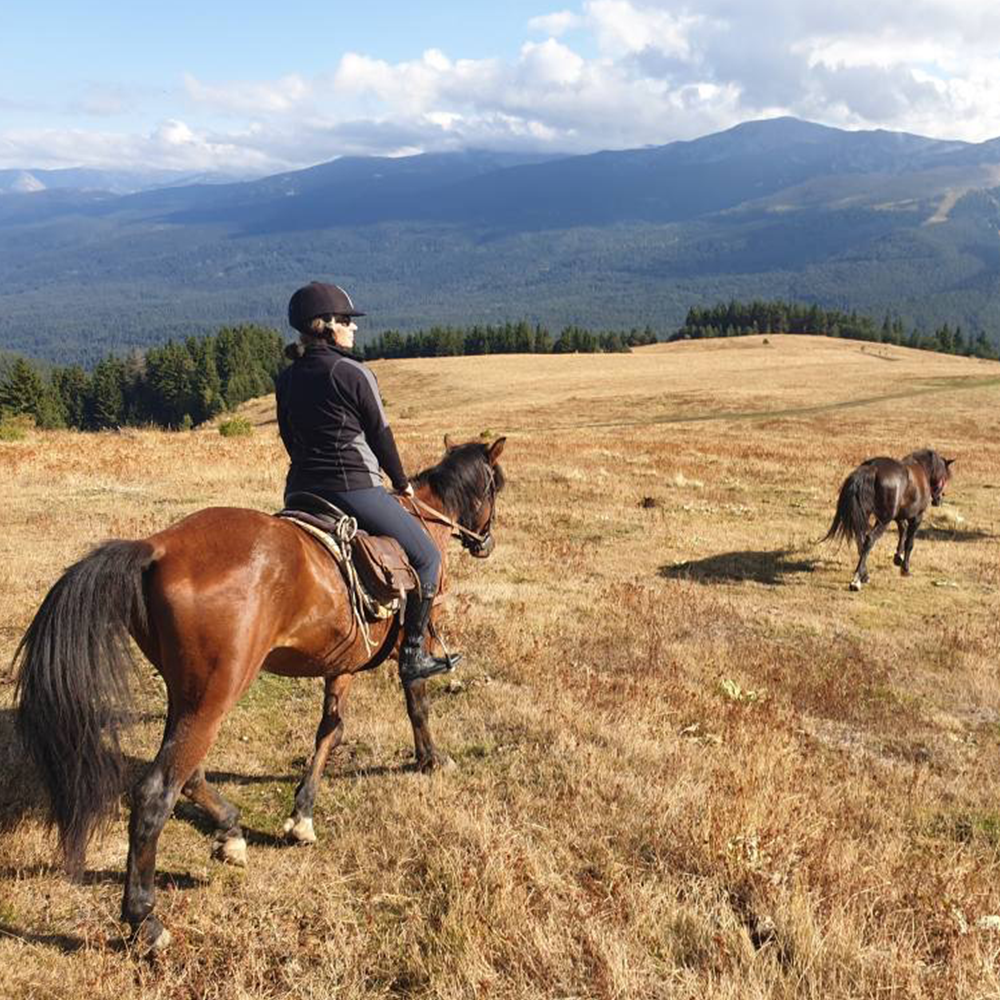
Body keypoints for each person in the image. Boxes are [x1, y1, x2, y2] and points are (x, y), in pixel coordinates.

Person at [275, 280, 457, 682]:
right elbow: (380, 434)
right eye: (345, 321)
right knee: (427, 556)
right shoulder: (353, 373)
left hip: (300, 491)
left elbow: (289, 437)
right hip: (354, 489)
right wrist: (401, 482)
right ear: (323, 326)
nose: (353, 328)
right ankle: (412, 655)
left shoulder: (286, 379)